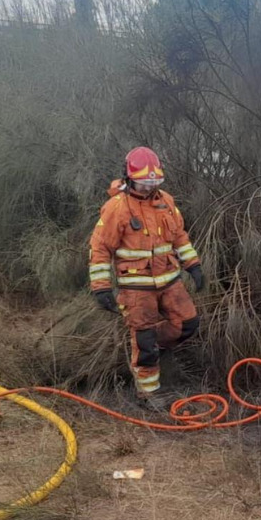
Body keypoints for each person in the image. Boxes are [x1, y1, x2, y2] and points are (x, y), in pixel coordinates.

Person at [88, 147, 203, 409]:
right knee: (145, 339)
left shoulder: (166, 202)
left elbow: (179, 237)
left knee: (188, 324)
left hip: (169, 280)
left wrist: (193, 265)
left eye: (154, 181)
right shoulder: (117, 208)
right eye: (144, 181)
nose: (149, 187)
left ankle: (145, 348)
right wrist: (101, 287)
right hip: (136, 286)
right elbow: (100, 248)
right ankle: (149, 394)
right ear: (130, 178)